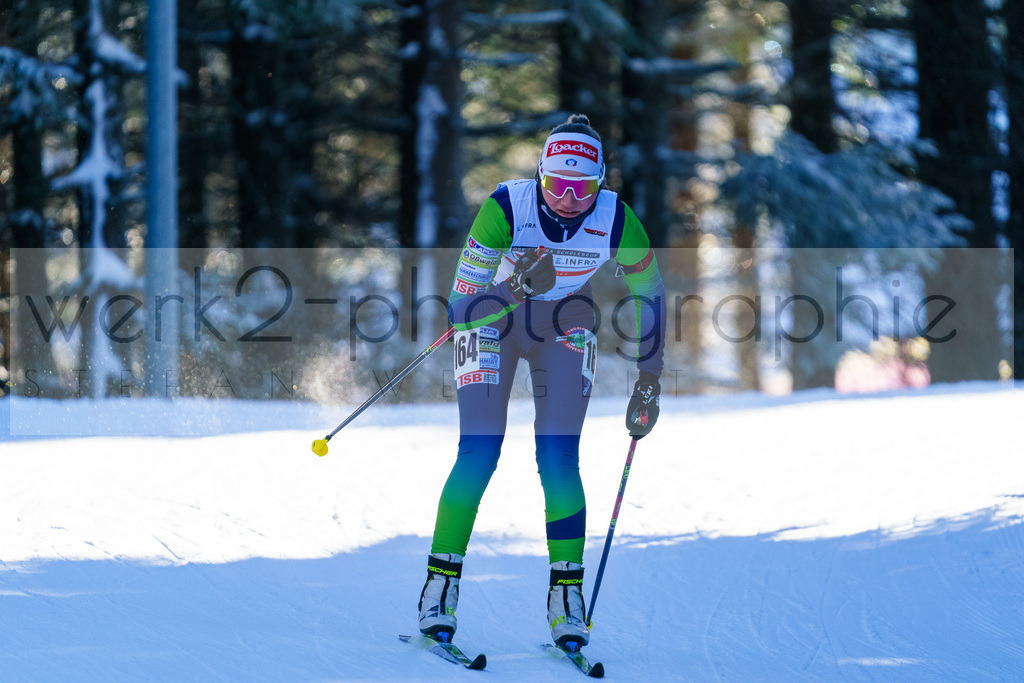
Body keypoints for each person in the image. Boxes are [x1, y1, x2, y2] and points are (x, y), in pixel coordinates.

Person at [417, 114, 666, 651]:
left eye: (583, 187)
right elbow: (459, 309)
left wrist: (649, 378)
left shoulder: (617, 219)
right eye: (557, 184)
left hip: (566, 323)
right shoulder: (507, 206)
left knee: (559, 456)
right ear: (540, 176)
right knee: (479, 450)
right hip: (495, 323)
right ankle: (440, 587)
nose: (570, 198)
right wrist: (514, 287)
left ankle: (566, 597)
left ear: (600, 184)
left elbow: (650, 294)